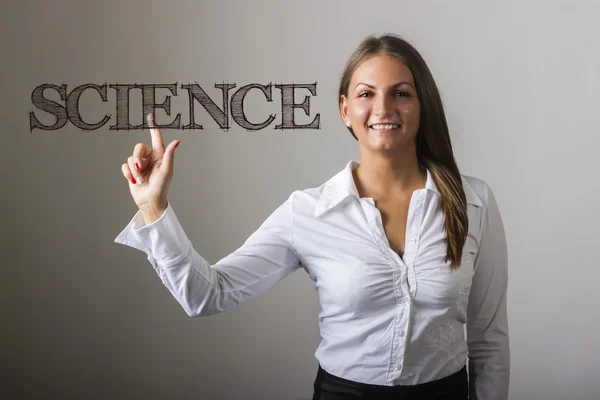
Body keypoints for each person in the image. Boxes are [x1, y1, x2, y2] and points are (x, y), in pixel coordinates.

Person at [115, 34, 509, 400]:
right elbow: (208, 294)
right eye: (366, 94)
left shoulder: (474, 203)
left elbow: (488, 338)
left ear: (422, 105)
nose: (383, 108)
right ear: (345, 110)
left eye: (401, 93)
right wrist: (153, 207)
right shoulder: (307, 212)